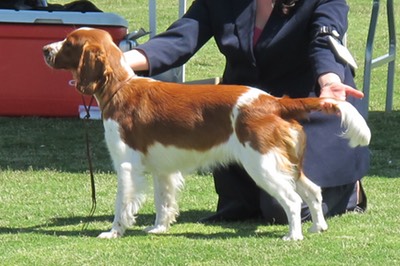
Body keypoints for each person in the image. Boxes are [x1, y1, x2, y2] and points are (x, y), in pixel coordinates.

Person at [124, 0, 370, 224]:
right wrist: (120, 61)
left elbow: (325, 39)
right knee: (239, 209)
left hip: (310, 108)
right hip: (243, 119)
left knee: (278, 210)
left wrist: (329, 80)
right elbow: (181, 38)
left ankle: (348, 191)